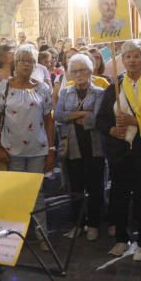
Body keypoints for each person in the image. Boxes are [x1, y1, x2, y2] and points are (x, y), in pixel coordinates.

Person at [96, 40, 141, 261]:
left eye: (137, 56)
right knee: (119, 196)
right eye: (128, 56)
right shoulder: (113, 86)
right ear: (122, 61)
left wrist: (135, 121)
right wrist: (112, 129)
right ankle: (121, 239)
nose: (133, 60)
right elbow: (101, 121)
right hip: (119, 152)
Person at [0, 44, 55, 239]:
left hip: (38, 149)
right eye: (23, 61)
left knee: (37, 194)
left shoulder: (42, 88)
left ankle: (42, 234)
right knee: (16, 194)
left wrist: (52, 149)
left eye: (31, 62)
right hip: (11, 150)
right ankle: (15, 236)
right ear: (15, 64)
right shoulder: (5, 86)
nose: (26, 65)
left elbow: (49, 120)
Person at [55, 53, 104, 241]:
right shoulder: (66, 92)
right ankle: (77, 223)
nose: (79, 74)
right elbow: (58, 115)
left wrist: (74, 115)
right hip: (72, 147)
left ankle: (93, 225)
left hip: (94, 147)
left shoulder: (99, 92)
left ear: (90, 70)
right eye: (74, 71)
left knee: (95, 187)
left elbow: (97, 119)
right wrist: (83, 113)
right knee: (75, 188)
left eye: (82, 70)